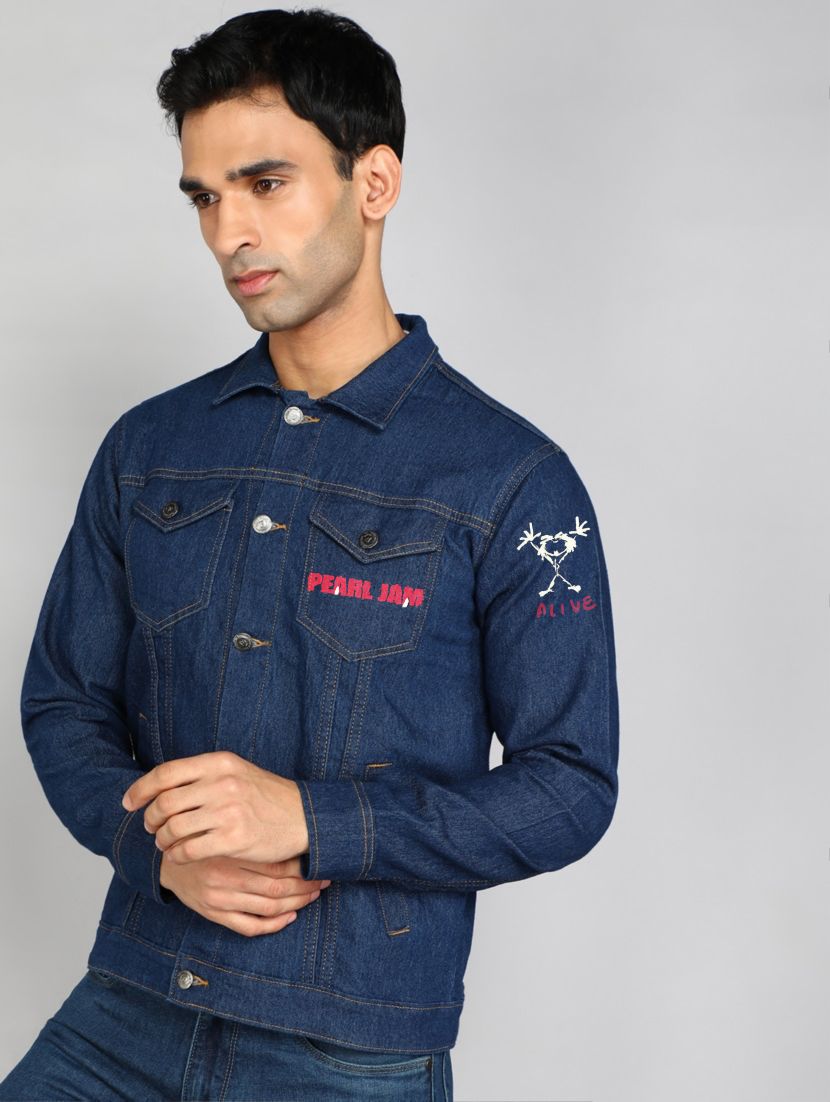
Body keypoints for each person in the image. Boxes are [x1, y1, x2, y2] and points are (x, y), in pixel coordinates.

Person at [0, 7, 619, 1100]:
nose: (228, 232)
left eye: (265, 183)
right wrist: (156, 852)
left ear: (373, 182)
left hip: (348, 1052)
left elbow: (568, 787)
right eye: (205, 197)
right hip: (128, 1004)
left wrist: (313, 820)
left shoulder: (512, 482)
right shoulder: (151, 447)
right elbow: (62, 701)